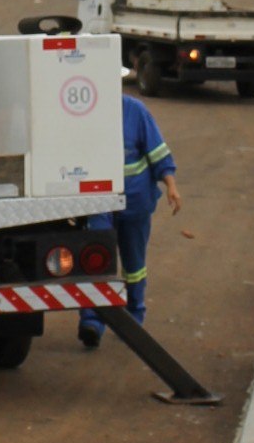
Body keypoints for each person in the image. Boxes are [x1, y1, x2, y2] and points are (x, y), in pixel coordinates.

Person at [78, 84, 182, 346]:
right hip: (98, 201)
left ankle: (133, 319)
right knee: (95, 259)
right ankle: (92, 321)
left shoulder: (135, 111)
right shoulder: (82, 112)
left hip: (134, 203)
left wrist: (171, 185)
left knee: (134, 265)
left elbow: (158, 153)